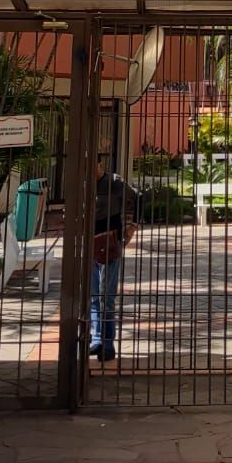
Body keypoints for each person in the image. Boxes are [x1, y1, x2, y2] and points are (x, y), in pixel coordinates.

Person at [91, 154, 138, 362]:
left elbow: (136, 200)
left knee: (106, 297)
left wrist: (130, 228)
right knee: (92, 296)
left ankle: (108, 344)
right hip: (88, 245)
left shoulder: (115, 182)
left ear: (100, 164)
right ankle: (96, 339)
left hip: (110, 244)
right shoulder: (82, 185)